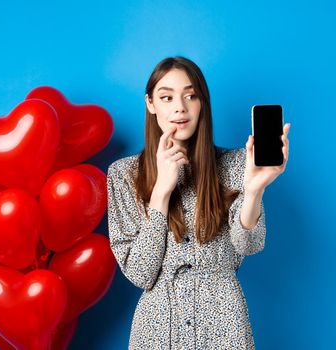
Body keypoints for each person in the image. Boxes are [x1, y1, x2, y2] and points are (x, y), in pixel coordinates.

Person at [106, 56, 291, 349]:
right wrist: (162, 192)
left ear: (202, 102)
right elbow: (140, 272)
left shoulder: (236, 164)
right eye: (166, 97)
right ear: (151, 104)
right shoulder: (123, 174)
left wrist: (254, 191)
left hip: (223, 323)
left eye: (190, 95)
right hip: (158, 329)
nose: (180, 107)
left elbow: (249, 245)